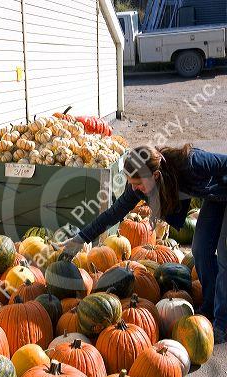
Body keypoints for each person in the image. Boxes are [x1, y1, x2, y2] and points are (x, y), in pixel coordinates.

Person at [58, 144, 227, 344]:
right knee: (200, 249)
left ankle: (223, 323)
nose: (134, 188)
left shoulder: (191, 163)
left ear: (155, 176)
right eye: (130, 183)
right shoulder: (139, 187)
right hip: (215, 197)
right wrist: (81, 238)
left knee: (225, 255)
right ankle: (209, 306)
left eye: (137, 184)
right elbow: (114, 213)